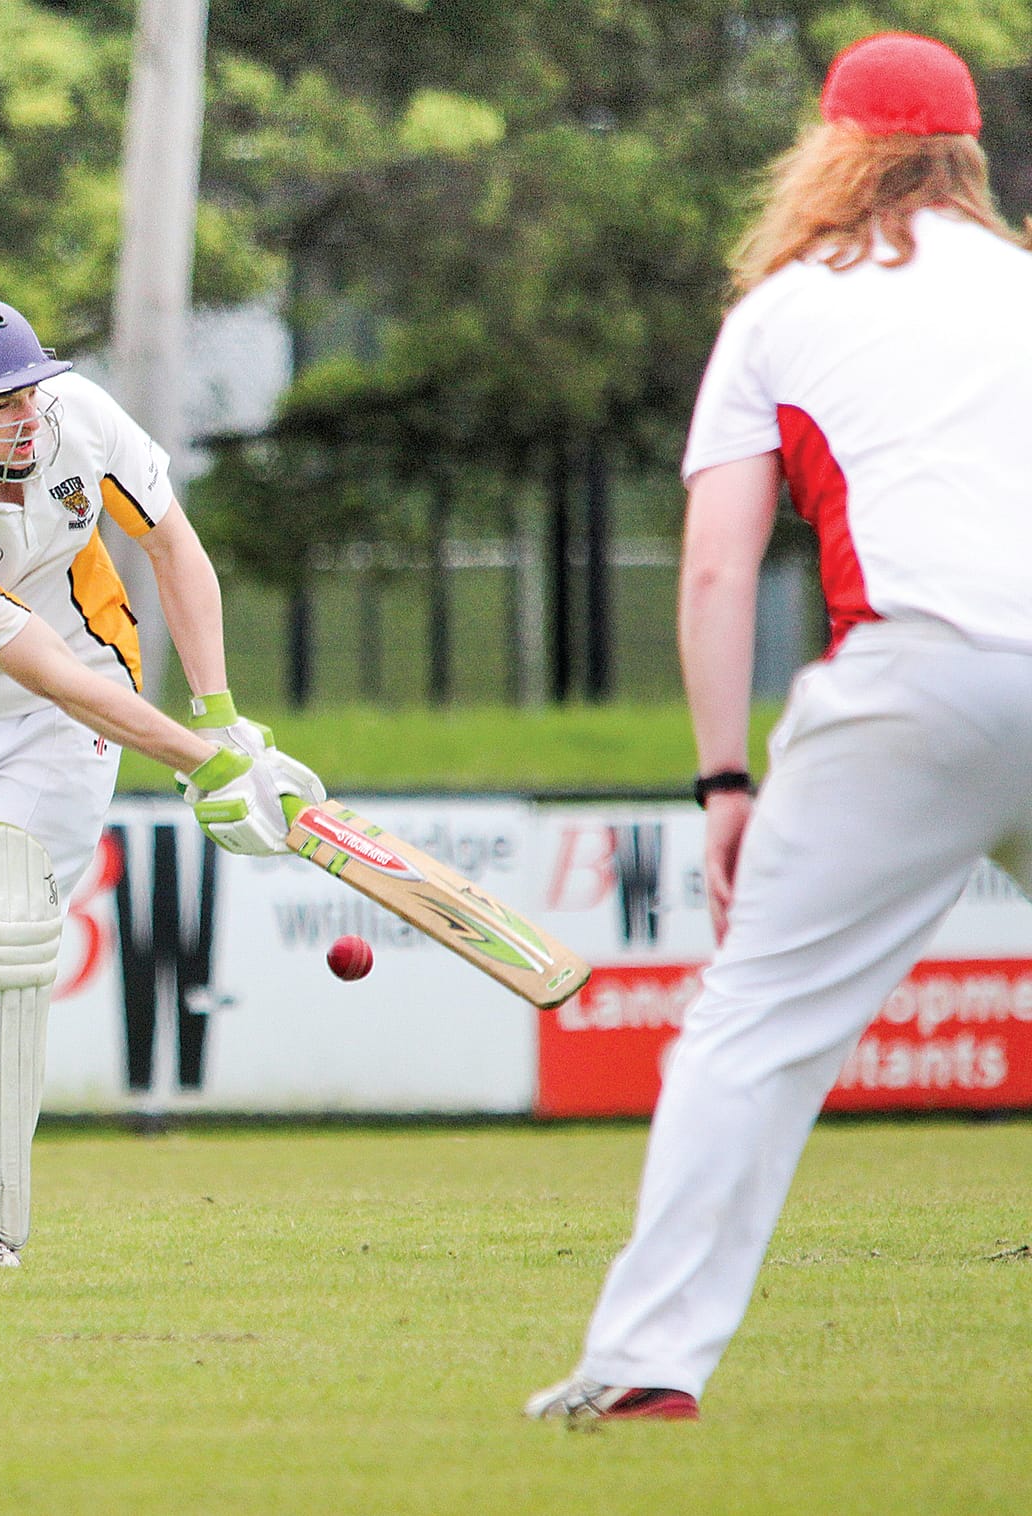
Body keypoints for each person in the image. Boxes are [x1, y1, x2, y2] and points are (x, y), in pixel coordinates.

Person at [527, 31, 1032, 1421]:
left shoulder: (782, 309)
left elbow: (712, 571)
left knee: (751, 1033)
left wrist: (724, 779)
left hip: (913, 678)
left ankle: (645, 1368)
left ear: (832, 146)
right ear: (968, 155)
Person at [0, 297, 324, 1266]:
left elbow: (173, 547)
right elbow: (42, 670)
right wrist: (200, 763)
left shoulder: (79, 415)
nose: (23, 415)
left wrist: (218, 719)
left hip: (70, 701)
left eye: (27, 390)